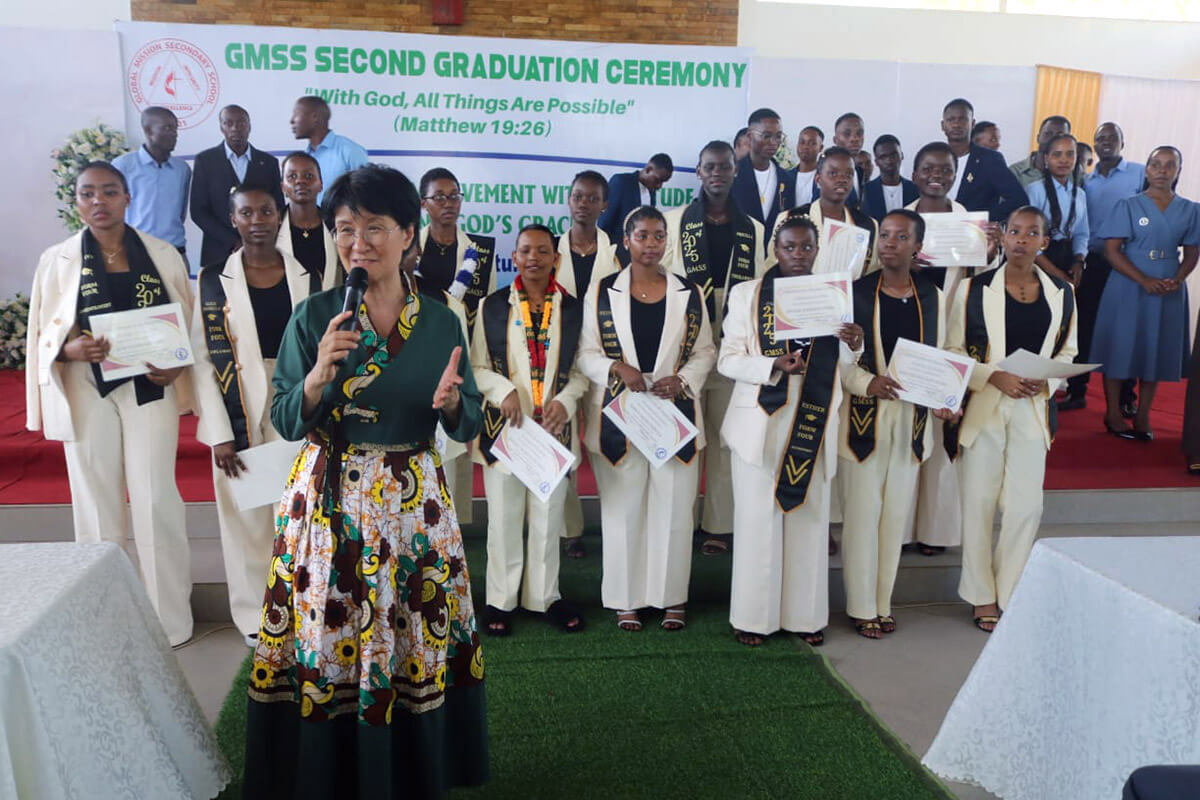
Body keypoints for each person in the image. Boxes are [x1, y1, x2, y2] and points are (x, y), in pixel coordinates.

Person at [242, 164, 488, 798]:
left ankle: (412, 771)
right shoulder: (315, 317)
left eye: (374, 228)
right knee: (332, 638)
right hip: (330, 505)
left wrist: (452, 405)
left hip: (414, 508)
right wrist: (319, 373)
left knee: (412, 633)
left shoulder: (441, 321)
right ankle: (327, 774)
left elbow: (469, 424)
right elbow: (286, 418)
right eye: (345, 229)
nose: (359, 244)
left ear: (409, 233)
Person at [26, 161, 195, 646]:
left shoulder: (162, 253)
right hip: (84, 385)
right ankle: (107, 619)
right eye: (87, 193)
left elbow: (186, 322)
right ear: (76, 201)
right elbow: (42, 331)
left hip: (149, 386)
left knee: (155, 496)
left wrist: (179, 364)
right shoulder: (57, 259)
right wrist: (68, 349)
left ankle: (169, 622)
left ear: (127, 197)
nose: (98, 201)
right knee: (97, 504)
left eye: (109, 191)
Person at [718, 216, 864, 647]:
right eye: (789, 247)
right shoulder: (748, 294)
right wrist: (771, 366)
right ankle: (752, 618)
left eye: (805, 248)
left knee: (808, 517)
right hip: (761, 418)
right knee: (758, 521)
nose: (797, 255)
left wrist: (853, 344)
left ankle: (804, 617)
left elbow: (846, 366)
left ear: (817, 250)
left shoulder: (833, 296)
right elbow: (728, 360)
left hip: (813, 415)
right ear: (775, 250)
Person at [577, 206, 716, 632]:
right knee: (623, 509)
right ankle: (625, 598)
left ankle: (671, 597)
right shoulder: (601, 292)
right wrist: (617, 370)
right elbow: (585, 354)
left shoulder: (689, 292)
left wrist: (684, 379)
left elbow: (706, 351)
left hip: (673, 413)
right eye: (642, 236)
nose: (651, 244)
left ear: (666, 242)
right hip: (622, 416)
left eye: (658, 237)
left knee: (674, 508)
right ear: (626, 239)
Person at [189, 184, 316, 646]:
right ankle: (253, 615)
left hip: (292, 397)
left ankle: (302, 604)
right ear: (233, 218)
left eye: (266, 210)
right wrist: (220, 431)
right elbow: (202, 360)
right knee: (244, 514)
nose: (258, 219)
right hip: (237, 399)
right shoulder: (209, 281)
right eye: (247, 212)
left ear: (280, 214)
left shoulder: (309, 275)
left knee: (298, 510)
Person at [946, 206, 1078, 631]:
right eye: (1015, 232)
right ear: (1002, 238)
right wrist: (993, 376)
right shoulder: (973, 289)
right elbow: (952, 350)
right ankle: (982, 597)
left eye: (1032, 233)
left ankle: (1011, 590)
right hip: (986, 407)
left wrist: (1049, 383)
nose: (1022, 240)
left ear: (1045, 241)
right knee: (979, 504)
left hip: (1033, 409)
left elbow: (1068, 352)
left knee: (1026, 507)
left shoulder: (1062, 293)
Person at [839, 210, 954, 639]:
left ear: (916, 246)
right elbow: (839, 362)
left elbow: (946, 353)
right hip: (863, 420)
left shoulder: (932, 296)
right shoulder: (855, 293)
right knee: (863, 517)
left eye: (900, 236)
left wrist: (947, 396)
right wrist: (869, 381)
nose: (889, 243)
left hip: (912, 423)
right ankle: (859, 605)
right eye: (883, 235)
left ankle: (883, 602)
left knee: (894, 520)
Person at [470, 225, 588, 636]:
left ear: (556, 257)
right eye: (525, 251)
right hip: (506, 429)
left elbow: (579, 373)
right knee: (503, 518)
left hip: (551, 429)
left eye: (543, 250)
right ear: (514, 258)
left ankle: (544, 597)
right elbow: (477, 367)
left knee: (547, 516)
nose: (533, 257)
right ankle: (500, 601)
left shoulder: (573, 309)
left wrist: (566, 401)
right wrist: (503, 391)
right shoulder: (492, 306)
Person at [663, 140, 767, 557]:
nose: (717, 173)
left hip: (733, 343)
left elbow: (759, 290)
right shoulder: (674, 223)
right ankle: (679, 519)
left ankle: (720, 525)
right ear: (699, 171)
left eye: (725, 166)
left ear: (735, 171)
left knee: (724, 438)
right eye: (710, 167)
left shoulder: (754, 229)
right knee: (682, 436)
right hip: (684, 344)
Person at [904, 141, 1001, 558]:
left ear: (956, 173)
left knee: (945, 427)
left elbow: (980, 275)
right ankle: (903, 525)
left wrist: (992, 250)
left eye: (945, 168)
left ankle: (935, 529)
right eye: (928, 168)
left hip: (953, 334)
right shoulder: (900, 220)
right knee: (907, 429)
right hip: (907, 330)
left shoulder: (967, 222)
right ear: (915, 172)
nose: (936, 175)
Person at [1091, 146, 1199, 442]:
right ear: (1147, 169)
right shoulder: (1127, 205)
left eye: (1169, 165)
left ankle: (1143, 414)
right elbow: (1112, 252)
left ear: (1178, 171)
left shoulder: (1191, 209)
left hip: (1168, 287)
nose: (1162, 171)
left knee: (1155, 350)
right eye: (1155, 164)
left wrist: (1177, 279)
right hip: (1128, 284)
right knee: (1120, 347)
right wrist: (1144, 280)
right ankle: (1113, 412)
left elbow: (1192, 253)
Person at [417, 167, 497, 526]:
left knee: (458, 438)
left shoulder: (478, 250)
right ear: (424, 204)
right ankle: (419, 518)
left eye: (454, 196)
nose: (448, 204)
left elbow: (487, 309)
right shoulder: (409, 246)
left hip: (462, 353)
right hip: (418, 352)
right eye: (439, 197)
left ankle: (455, 525)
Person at [556, 170, 621, 558]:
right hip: (559, 361)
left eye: (592, 198)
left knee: (602, 444)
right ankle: (570, 529)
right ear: (569, 199)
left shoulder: (617, 254)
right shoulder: (551, 250)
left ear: (604, 205)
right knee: (564, 447)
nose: (584, 203)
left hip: (602, 360)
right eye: (578, 196)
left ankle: (614, 522)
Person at [1069, 123, 1145, 413]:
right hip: (1093, 264)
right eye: (1100, 138)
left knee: (1125, 331)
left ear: (1123, 143)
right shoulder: (1086, 182)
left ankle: (1127, 398)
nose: (1106, 142)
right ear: (1094, 144)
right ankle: (1077, 390)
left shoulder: (1139, 173)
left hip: (1127, 264)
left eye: (1112, 138)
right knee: (1084, 327)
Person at [190, 105, 284, 268]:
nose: (235, 128)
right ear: (221, 127)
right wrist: (233, 241)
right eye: (229, 123)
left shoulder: (268, 163)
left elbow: (278, 207)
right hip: (217, 252)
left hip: (261, 250)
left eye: (241, 123)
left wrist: (257, 238)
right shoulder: (205, 161)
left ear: (249, 126)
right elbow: (198, 212)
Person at [785, 146, 878, 278]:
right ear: (818, 180)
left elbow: (872, 274)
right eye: (833, 173)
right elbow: (773, 268)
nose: (842, 179)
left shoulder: (867, 225)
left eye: (849, 174)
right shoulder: (791, 218)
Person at [112, 107, 191, 258]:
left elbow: (181, 214)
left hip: (174, 251)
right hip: (135, 251)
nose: (174, 134)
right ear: (148, 130)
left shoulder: (182, 169)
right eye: (167, 128)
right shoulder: (123, 166)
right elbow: (114, 210)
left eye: (175, 128)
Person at [941, 98, 1028, 221]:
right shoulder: (936, 157)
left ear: (973, 123)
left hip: (976, 233)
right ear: (943, 125)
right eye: (951, 120)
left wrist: (981, 218)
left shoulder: (990, 159)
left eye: (962, 119)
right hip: (937, 231)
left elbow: (1018, 199)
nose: (956, 124)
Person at [1024, 133, 1089, 286]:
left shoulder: (1080, 194)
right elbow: (1029, 239)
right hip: (1039, 261)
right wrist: (1055, 272)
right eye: (1057, 154)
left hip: (1068, 259)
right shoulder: (1034, 191)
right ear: (1046, 159)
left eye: (1070, 154)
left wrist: (1079, 261)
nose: (1064, 160)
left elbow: (1082, 233)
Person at [731, 108, 796, 249]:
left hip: (774, 260)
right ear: (749, 136)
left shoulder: (787, 179)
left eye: (778, 136)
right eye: (766, 136)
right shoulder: (731, 175)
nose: (773, 142)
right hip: (738, 257)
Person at [276, 152, 340, 292]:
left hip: (332, 310)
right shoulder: (272, 229)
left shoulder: (336, 225)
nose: (300, 181)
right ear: (283, 187)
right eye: (292, 176)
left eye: (308, 176)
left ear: (320, 185)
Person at [290, 95, 368, 204]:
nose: (291, 121)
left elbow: (366, 195)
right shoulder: (305, 157)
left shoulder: (350, 152)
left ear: (314, 117)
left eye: (296, 114)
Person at [596, 154, 674, 262]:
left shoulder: (652, 192)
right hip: (615, 257)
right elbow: (604, 223)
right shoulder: (621, 182)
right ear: (648, 169)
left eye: (663, 182)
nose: (659, 186)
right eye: (657, 180)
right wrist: (606, 255)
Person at [862, 135, 919, 223]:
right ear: (876, 162)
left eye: (893, 155)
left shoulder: (915, 189)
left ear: (902, 155)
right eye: (883, 157)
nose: (889, 160)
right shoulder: (865, 191)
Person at [1010, 115, 1072, 187]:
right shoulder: (1015, 172)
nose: (1053, 139)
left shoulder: (1074, 175)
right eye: (1048, 134)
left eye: (1060, 135)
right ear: (1038, 138)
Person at [833, 112, 867, 201]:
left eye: (859, 133)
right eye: (847, 134)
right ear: (835, 140)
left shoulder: (861, 172)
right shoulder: (827, 173)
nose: (854, 139)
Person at [794, 125, 824, 207]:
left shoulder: (825, 178)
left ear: (821, 148)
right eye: (802, 142)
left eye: (812, 143)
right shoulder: (786, 177)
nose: (805, 147)